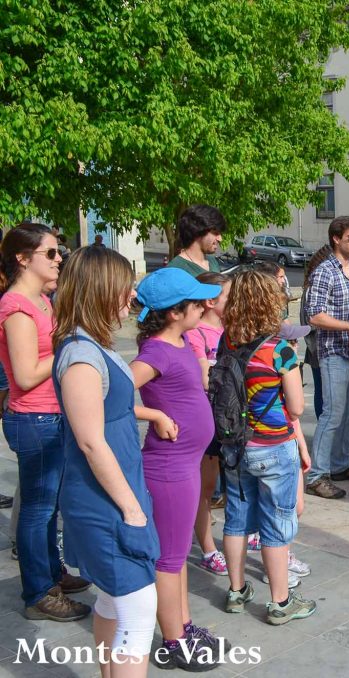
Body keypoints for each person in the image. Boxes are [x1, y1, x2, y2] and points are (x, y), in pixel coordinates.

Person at [52, 246, 158, 674]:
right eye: (122, 288)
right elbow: (91, 442)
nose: (129, 298)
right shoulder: (80, 354)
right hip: (105, 501)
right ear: (98, 291)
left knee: (114, 600)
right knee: (136, 605)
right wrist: (131, 509)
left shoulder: (91, 346)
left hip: (114, 493)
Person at [130, 267, 229, 666]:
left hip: (186, 465)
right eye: (196, 300)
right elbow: (109, 395)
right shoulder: (154, 351)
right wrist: (152, 414)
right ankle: (174, 641)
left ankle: (184, 625)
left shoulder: (182, 341)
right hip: (168, 468)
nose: (205, 304)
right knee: (168, 560)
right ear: (174, 311)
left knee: (176, 554)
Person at [0, 224, 91, 621]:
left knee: (48, 506)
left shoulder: (41, 300)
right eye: (51, 253)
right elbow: (23, 374)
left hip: (50, 415)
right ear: (23, 258)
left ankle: (52, 573)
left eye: (59, 252)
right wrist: (68, 348)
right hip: (33, 419)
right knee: (37, 511)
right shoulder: (16, 306)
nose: (59, 260)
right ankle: (38, 592)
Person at [220, 270, 316, 624]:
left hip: (235, 446)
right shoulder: (279, 350)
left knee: (236, 520)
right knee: (276, 524)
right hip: (272, 446)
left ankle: (236, 590)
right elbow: (297, 407)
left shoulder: (226, 341)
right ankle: (280, 601)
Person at [305, 216, 349, 500]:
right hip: (333, 351)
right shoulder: (324, 272)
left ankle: (340, 463)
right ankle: (317, 474)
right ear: (336, 239)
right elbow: (314, 315)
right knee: (332, 413)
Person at [184, 272, 232, 576]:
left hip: (226, 417)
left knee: (218, 483)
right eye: (229, 296)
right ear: (211, 301)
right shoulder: (195, 334)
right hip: (205, 417)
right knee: (204, 487)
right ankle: (208, 547)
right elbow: (202, 377)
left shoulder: (230, 329)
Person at [299, 244, 332, 418]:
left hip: (322, 348)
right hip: (318, 349)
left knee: (330, 393)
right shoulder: (313, 288)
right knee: (324, 392)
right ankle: (325, 431)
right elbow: (310, 321)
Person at [166, 204, 224, 276]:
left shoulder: (212, 262)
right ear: (198, 230)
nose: (220, 239)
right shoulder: (176, 270)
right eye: (216, 233)